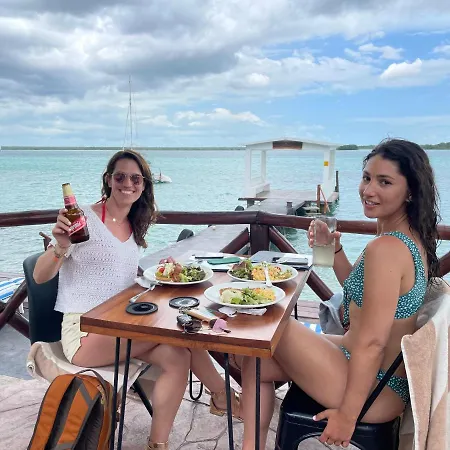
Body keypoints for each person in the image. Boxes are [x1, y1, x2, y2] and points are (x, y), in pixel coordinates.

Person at [236, 138, 441, 449]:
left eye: (384, 182)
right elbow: (362, 295)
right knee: (255, 362)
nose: (368, 190)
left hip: (375, 389)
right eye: (366, 178)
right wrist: (334, 249)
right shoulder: (401, 236)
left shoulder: (387, 248)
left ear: (410, 191)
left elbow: (372, 343)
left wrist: (348, 415)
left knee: (271, 320)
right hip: (370, 369)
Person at [33, 149, 240, 450]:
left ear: (144, 185)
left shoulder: (132, 224)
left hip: (120, 323)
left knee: (178, 356)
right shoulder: (83, 219)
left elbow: (123, 277)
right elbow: (40, 276)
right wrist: (60, 245)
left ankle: (158, 444)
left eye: (135, 178)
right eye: (120, 177)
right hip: (84, 332)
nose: (127, 184)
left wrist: (164, 272)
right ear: (108, 180)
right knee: (180, 332)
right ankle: (224, 396)